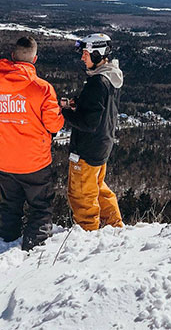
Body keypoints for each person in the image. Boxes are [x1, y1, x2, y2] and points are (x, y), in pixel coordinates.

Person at [0, 35, 64, 250]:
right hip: (35, 161)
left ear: (13, 56)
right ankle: (33, 251)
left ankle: (6, 245)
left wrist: (5, 127)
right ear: (34, 59)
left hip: (5, 160)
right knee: (40, 207)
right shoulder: (42, 88)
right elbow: (54, 125)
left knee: (10, 207)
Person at [61, 33, 123, 231]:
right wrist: (77, 104)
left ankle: (88, 234)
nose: (82, 57)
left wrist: (64, 112)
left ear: (98, 54)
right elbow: (99, 108)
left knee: (80, 195)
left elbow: (88, 123)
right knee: (98, 188)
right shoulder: (110, 77)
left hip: (87, 148)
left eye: (86, 53)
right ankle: (115, 226)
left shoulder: (97, 83)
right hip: (102, 144)